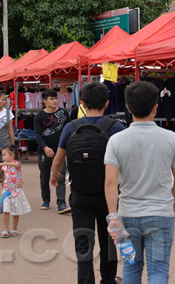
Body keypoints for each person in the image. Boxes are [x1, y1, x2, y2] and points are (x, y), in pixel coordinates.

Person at [51, 82, 125, 284]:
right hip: (108, 194)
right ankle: (108, 280)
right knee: (108, 240)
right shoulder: (115, 127)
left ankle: (85, 281)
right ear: (107, 103)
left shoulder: (70, 128)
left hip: (80, 194)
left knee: (83, 242)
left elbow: (58, 160)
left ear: (81, 102)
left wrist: (54, 175)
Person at [105, 81, 175, 283]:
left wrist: (113, 218)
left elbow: (110, 183)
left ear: (127, 108)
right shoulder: (171, 138)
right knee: (159, 270)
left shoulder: (116, 140)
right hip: (161, 212)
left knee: (131, 267)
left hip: (128, 214)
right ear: (156, 107)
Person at [33, 88, 71, 213]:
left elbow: (68, 130)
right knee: (44, 177)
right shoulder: (39, 116)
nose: (55, 101)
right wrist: (45, 148)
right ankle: (46, 200)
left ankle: (61, 203)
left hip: (60, 150)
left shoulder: (64, 113)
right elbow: (37, 135)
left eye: (56, 98)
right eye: (51, 99)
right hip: (45, 151)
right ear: (44, 101)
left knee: (60, 177)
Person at [0, 146, 31, 238]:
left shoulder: (17, 163)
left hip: (16, 191)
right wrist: (3, 188)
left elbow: (16, 166)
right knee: (5, 210)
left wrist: (3, 163)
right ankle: (6, 229)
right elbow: (5, 177)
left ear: (12, 155)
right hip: (7, 191)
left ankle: (14, 228)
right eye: (2, 155)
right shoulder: (5, 166)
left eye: (4, 155)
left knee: (16, 211)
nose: (3, 157)